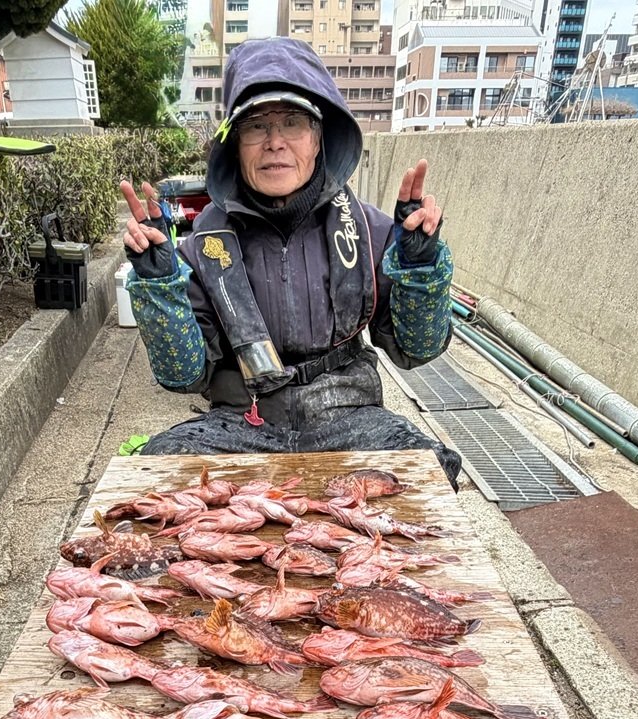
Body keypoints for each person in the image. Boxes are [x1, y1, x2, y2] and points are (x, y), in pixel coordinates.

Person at [120, 37, 461, 483]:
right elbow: (183, 376)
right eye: (256, 126)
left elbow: (418, 349)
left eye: (293, 122)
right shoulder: (203, 243)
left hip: (349, 416)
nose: (275, 142)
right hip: (241, 421)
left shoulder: (369, 230)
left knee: (431, 470)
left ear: (319, 138)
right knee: (155, 468)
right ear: (235, 143)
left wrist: (418, 267)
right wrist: (158, 283)